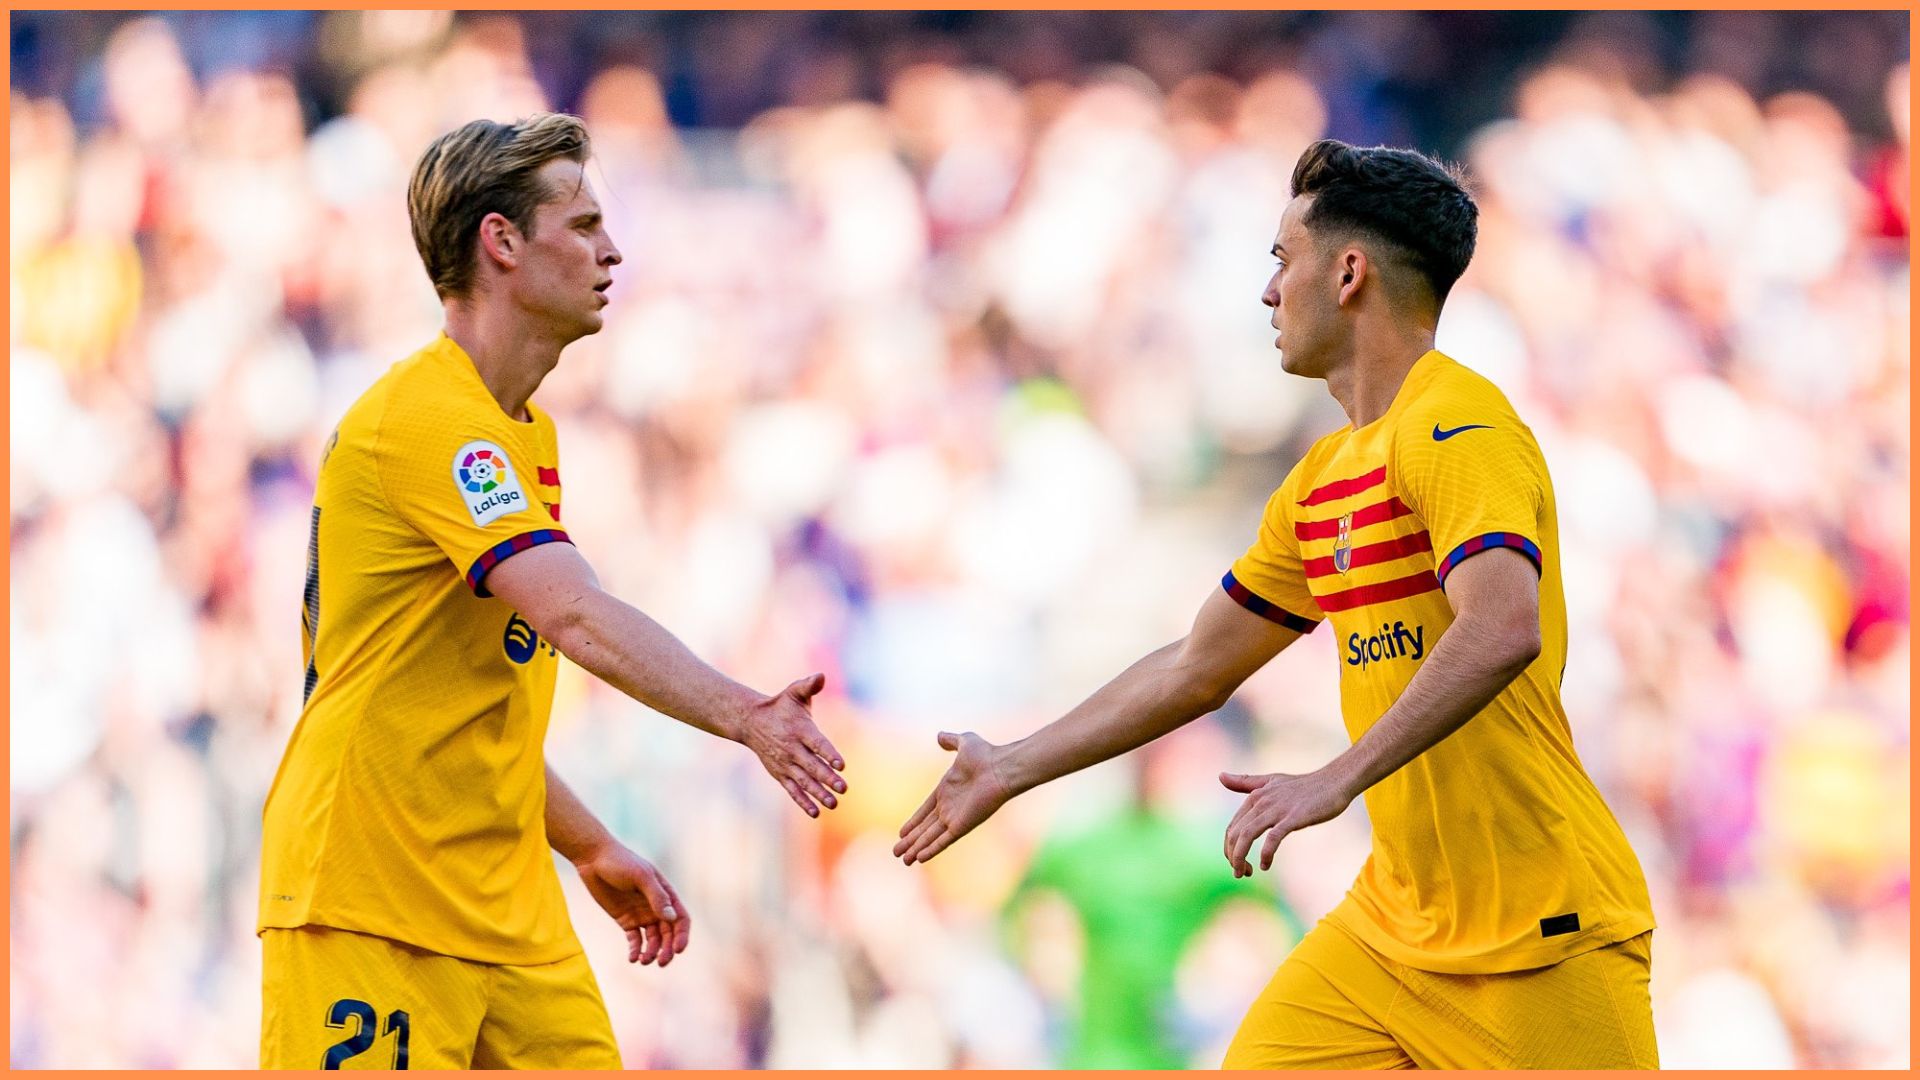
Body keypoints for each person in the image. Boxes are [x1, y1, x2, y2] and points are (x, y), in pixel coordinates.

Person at [894, 139, 1658, 1069]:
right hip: (1393, 930)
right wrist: (1014, 764)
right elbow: (1195, 667)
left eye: (1279, 261)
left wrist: (1335, 777)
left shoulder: (1461, 426)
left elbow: (1501, 627)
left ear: (1348, 273)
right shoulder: (1322, 478)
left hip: (1540, 930)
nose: (1266, 293)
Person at [257, 113, 848, 1070]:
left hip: (504, 905)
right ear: (501, 242)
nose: (611, 249)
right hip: (371, 900)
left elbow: (461, 700)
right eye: (581, 225)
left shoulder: (522, 433)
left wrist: (586, 843)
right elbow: (574, 615)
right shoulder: (424, 420)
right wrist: (746, 716)